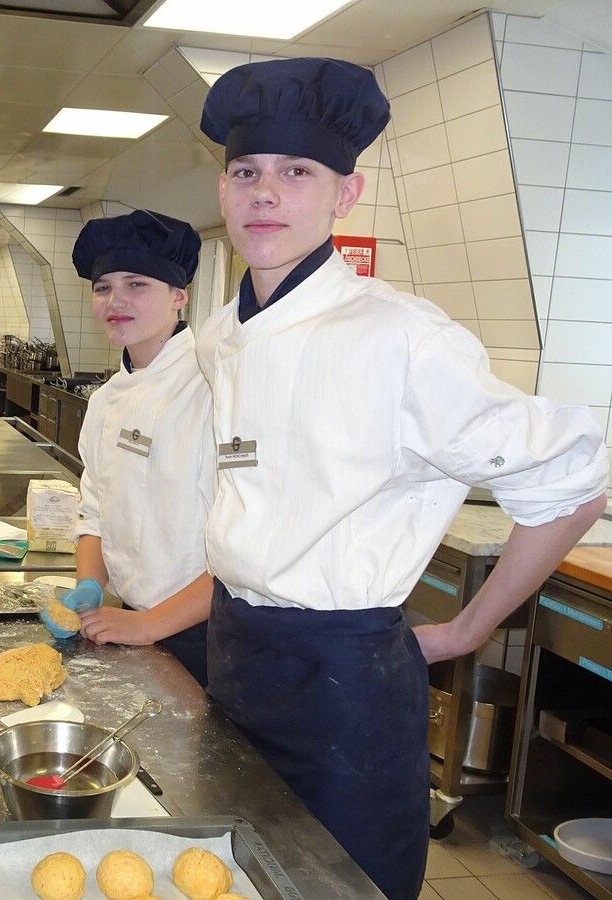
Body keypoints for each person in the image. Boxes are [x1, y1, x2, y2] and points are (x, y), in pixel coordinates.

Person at [197, 57, 609, 900]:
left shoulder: (401, 337)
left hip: (343, 679)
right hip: (235, 647)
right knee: (233, 877)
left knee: (345, 887)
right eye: (246, 172)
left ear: (345, 195)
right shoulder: (220, 334)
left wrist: (467, 631)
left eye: (296, 172)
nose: (265, 193)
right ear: (223, 190)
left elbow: (574, 480)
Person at [41, 210, 215, 686]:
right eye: (103, 287)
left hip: (204, 633)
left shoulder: (213, 389)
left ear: (179, 295)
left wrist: (149, 625)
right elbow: (95, 510)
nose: (115, 301)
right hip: (131, 621)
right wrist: (90, 585)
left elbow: (243, 550)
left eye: (137, 283)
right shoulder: (105, 401)